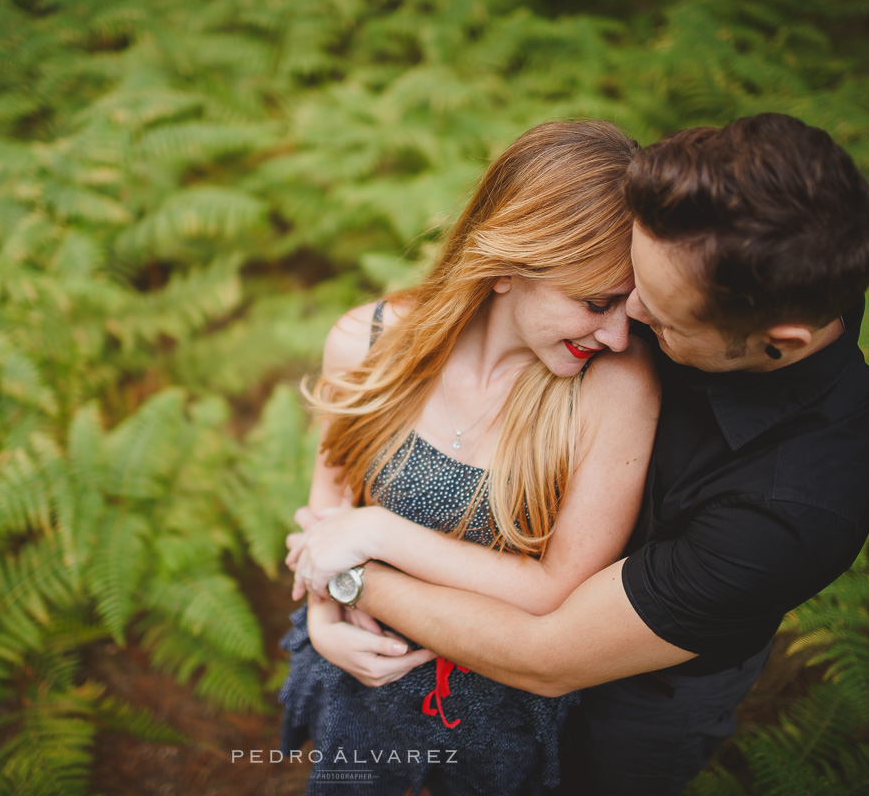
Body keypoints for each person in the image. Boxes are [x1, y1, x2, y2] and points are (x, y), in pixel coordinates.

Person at [290, 112, 869, 794]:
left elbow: (547, 650)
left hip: (639, 682)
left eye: (656, 314)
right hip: (399, 657)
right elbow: (333, 482)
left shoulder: (793, 509)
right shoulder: (757, 247)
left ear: (780, 340)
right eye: (618, 294)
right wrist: (324, 607)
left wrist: (348, 565)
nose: (630, 329)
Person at [279, 120, 661, 795]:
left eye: (628, 307)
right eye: (595, 302)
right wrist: (322, 622)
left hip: (499, 718)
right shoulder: (367, 344)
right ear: (509, 267)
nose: (617, 333)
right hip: (359, 688)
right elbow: (325, 514)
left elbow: (557, 591)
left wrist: (377, 532)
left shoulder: (616, 391)